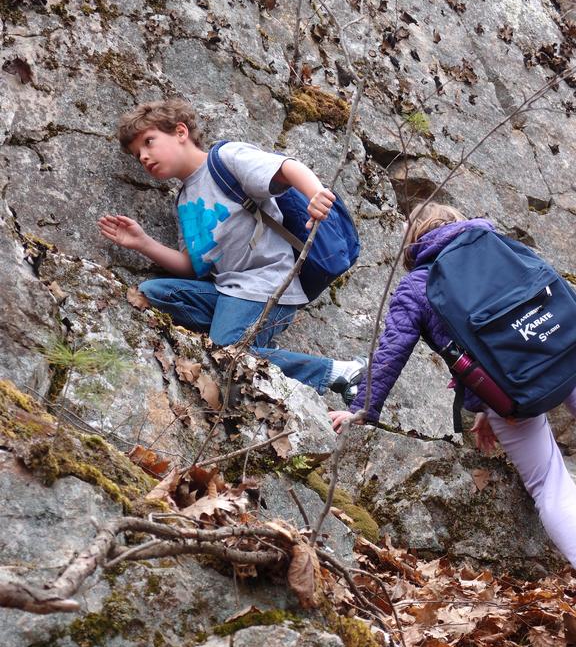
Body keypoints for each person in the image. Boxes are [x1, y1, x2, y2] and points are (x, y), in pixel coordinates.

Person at [329, 201, 576, 568]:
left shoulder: (417, 285)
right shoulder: (501, 247)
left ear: (412, 243)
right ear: (461, 222)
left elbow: (391, 352)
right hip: (565, 348)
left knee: (549, 485)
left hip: (510, 393)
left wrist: (362, 411)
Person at [97, 97, 366, 401]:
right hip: (229, 290)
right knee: (152, 294)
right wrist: (142, 243)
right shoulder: (183, 201)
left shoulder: (225, 159)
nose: (144, 157)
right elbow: (191, 267)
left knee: (224, 357)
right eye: (137, 154)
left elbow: (288, 168)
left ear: (180, 132)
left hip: (266, 283)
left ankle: (337, 372)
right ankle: (256, 350)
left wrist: (316, 194)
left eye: (149, 142)